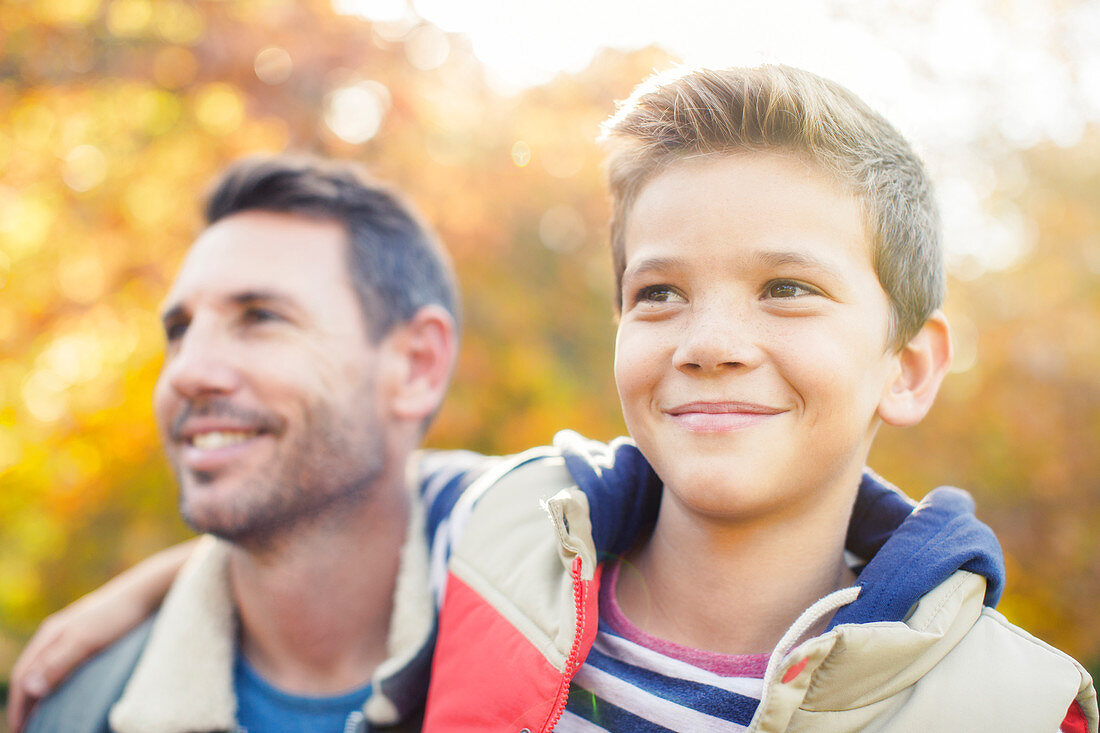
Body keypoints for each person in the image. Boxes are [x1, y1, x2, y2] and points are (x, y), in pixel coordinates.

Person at [10, 67, 1099, 733]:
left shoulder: (1012, 707)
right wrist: (140, 591)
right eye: (660, 292)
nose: (712, 343)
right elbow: (327, 497)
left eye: (786, 290)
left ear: (907, 366)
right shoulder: (506, 532)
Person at [12, 154, 485, 733]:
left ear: (416, 366)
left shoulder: (585, 669)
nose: (187, 372)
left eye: (260, 316)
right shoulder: (75, 710)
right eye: (179, 330)